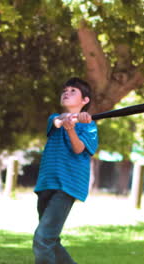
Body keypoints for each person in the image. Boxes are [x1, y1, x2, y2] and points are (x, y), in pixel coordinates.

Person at [33, 77, 98, 264]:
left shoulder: (90, 126)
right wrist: (69, 121)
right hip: (46, 183)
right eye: (65, 90)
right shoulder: (53, 118)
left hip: (68, 185)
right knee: (51, 241)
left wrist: (73, 128)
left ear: (85, 101)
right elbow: (58, 121)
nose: (66, 93)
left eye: (73, 91)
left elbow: (78, 149)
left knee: (42, 239)